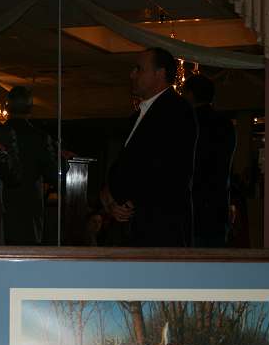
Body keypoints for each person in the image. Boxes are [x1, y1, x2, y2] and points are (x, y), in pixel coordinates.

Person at [101, 47, 197, 247]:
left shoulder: (177, 111)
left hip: (158, 230)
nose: (132, 74)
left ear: (159, 73)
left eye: (139, 69)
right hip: (134, 228)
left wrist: (130, 202)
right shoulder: (138, 115)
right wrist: (109, 193)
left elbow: (172, 170)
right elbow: (126, 164)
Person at [2, 86, 62, 245]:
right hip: (28, 215)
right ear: (30, 109)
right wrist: (62, 159)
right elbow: (54, 174)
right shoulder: (40, 138)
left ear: (7, 107)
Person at [184, 74, 236, 247]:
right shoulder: (226, 124)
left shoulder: (188, 122)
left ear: (190, 94)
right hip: (218, 205)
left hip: (193, 208)